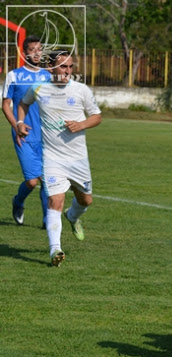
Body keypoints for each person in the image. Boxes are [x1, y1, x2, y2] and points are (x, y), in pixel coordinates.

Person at [17, 51, 102, 267]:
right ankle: (55, 249)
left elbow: (97, 116)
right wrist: (19, 123)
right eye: (63, 66)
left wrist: (81, 125)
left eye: (70, 67)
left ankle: (72, 217)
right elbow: (23, 104)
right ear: (51, 68)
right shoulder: (39, 88)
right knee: (55, 199)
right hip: (53, 158)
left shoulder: (80, 90)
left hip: (78, 159)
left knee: (86, 200)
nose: (68, 71)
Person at [2, 35, 50, 228]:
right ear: (24, 53)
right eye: (32, 49)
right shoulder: (14, 75)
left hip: (47, 136)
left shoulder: (48, 75)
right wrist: (16, 126)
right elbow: (6, 105)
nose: (37, 53)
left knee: (48, 180)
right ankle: (18, 202)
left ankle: (48, 219)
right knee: (31, 181)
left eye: (40, 49)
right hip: (24, 135)